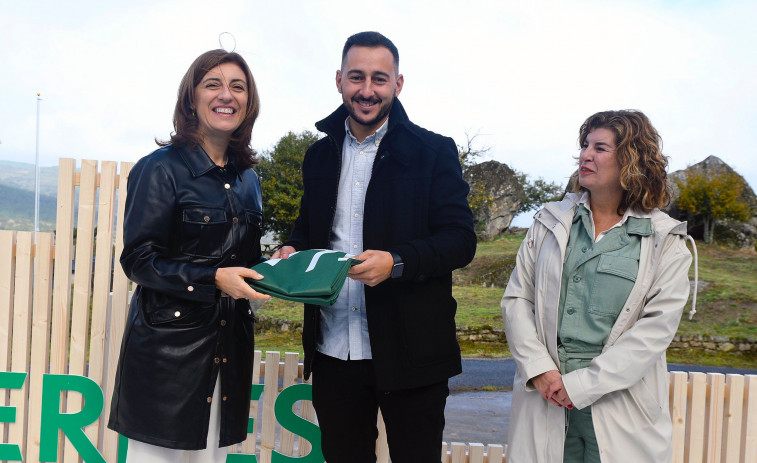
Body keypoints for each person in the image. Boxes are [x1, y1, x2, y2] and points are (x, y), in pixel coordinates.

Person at [273, 31, 476, 462]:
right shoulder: (318, 156)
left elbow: (460, 240)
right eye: (356, 77)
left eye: (379, 79)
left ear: (398, 84)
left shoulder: (433, 151)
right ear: (339, 80)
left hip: (413, 353)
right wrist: (292, 248)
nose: (367, 90)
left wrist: (397, 262)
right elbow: (307, 229)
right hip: (333, 353)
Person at [501, 110, 694, 462]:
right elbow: (516, 299)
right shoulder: (548, 222)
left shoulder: (665, 239)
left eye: (600, 148)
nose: (585, 155)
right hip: (546, 393)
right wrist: (541, 371)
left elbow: (656, 329)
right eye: (585, 145)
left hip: (620, 402)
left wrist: (580, 386)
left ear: (631, 159)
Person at [108, 49, 271, 463]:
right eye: (212, 84)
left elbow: (244, 265)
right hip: (169, 361)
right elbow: (139, 260)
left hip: (228, 352)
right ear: (191, 99)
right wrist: (213, 278)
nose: (226, 95)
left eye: (238, 86)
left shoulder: (249, 179)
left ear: (248, 102)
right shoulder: (159, 168)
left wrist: (278, 263)